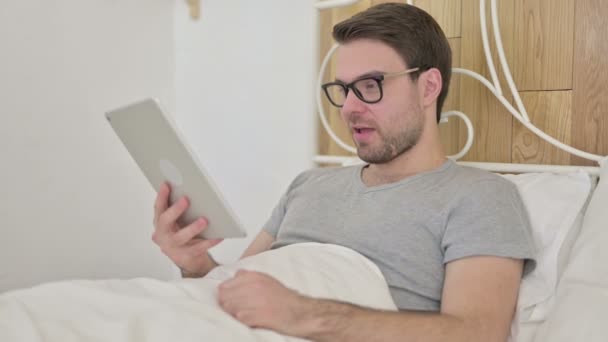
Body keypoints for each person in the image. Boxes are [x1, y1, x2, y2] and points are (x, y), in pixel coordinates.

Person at [151, 3, 535, 342]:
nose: (349, 107)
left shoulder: (479, 196)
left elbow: (476, 333)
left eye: (370, 86)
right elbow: (239, 290)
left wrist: (306, 315)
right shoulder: (308, 184)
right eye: (343, 89)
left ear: (428, 87)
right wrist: (196, 265)